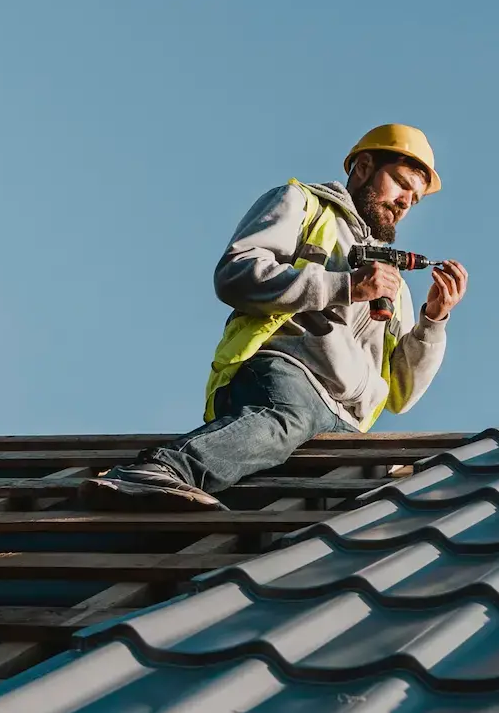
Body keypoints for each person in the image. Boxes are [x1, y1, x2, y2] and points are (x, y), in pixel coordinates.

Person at [80, 124, 468, 511]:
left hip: (346, 422)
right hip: (287, 376)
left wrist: (433, 321)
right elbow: (236, 275)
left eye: (414, 199)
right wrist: (344, 287)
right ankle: (160, 470)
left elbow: (400, 394)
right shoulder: (303, 205)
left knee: (350, 499)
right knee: (285, 418)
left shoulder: (394, 286)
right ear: (363, 167)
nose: (405, 202)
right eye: (400, 184)